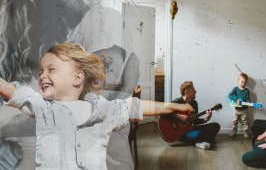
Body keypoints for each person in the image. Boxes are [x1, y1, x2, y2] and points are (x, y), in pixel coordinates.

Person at [0, 43, 193, 170]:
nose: (42, 75)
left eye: (51, 69)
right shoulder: (43, 108)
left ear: (77, 78)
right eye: (41, 70)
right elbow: (9, 89)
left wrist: (172, 107)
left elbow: (135, 106)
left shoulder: (104, 110)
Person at [172, 81, 220, 150]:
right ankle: (203, 141)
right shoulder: (176, 102)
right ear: (187, 92)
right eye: (193, 90)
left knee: (216, 126)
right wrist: (178, 116)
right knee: (200, 133)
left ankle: (200, 141)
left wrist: (206, 119)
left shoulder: (194, 103)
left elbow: (195, 121)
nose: (195, 91)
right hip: (180, 132)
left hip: (190, 129)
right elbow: (165, 113)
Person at [228, 73, 251, 138]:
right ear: (238, 81)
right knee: (234, 121)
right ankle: (233, 131)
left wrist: (248, 103)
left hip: (244, 110)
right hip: (236, 109)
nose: (243, 84)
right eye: (242, 82)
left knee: (245, 121)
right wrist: (236, 99)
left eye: (245, 82)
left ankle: (245, 132)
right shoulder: (235, 89)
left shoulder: (246, 91)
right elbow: (230, 95)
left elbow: (248, 99)